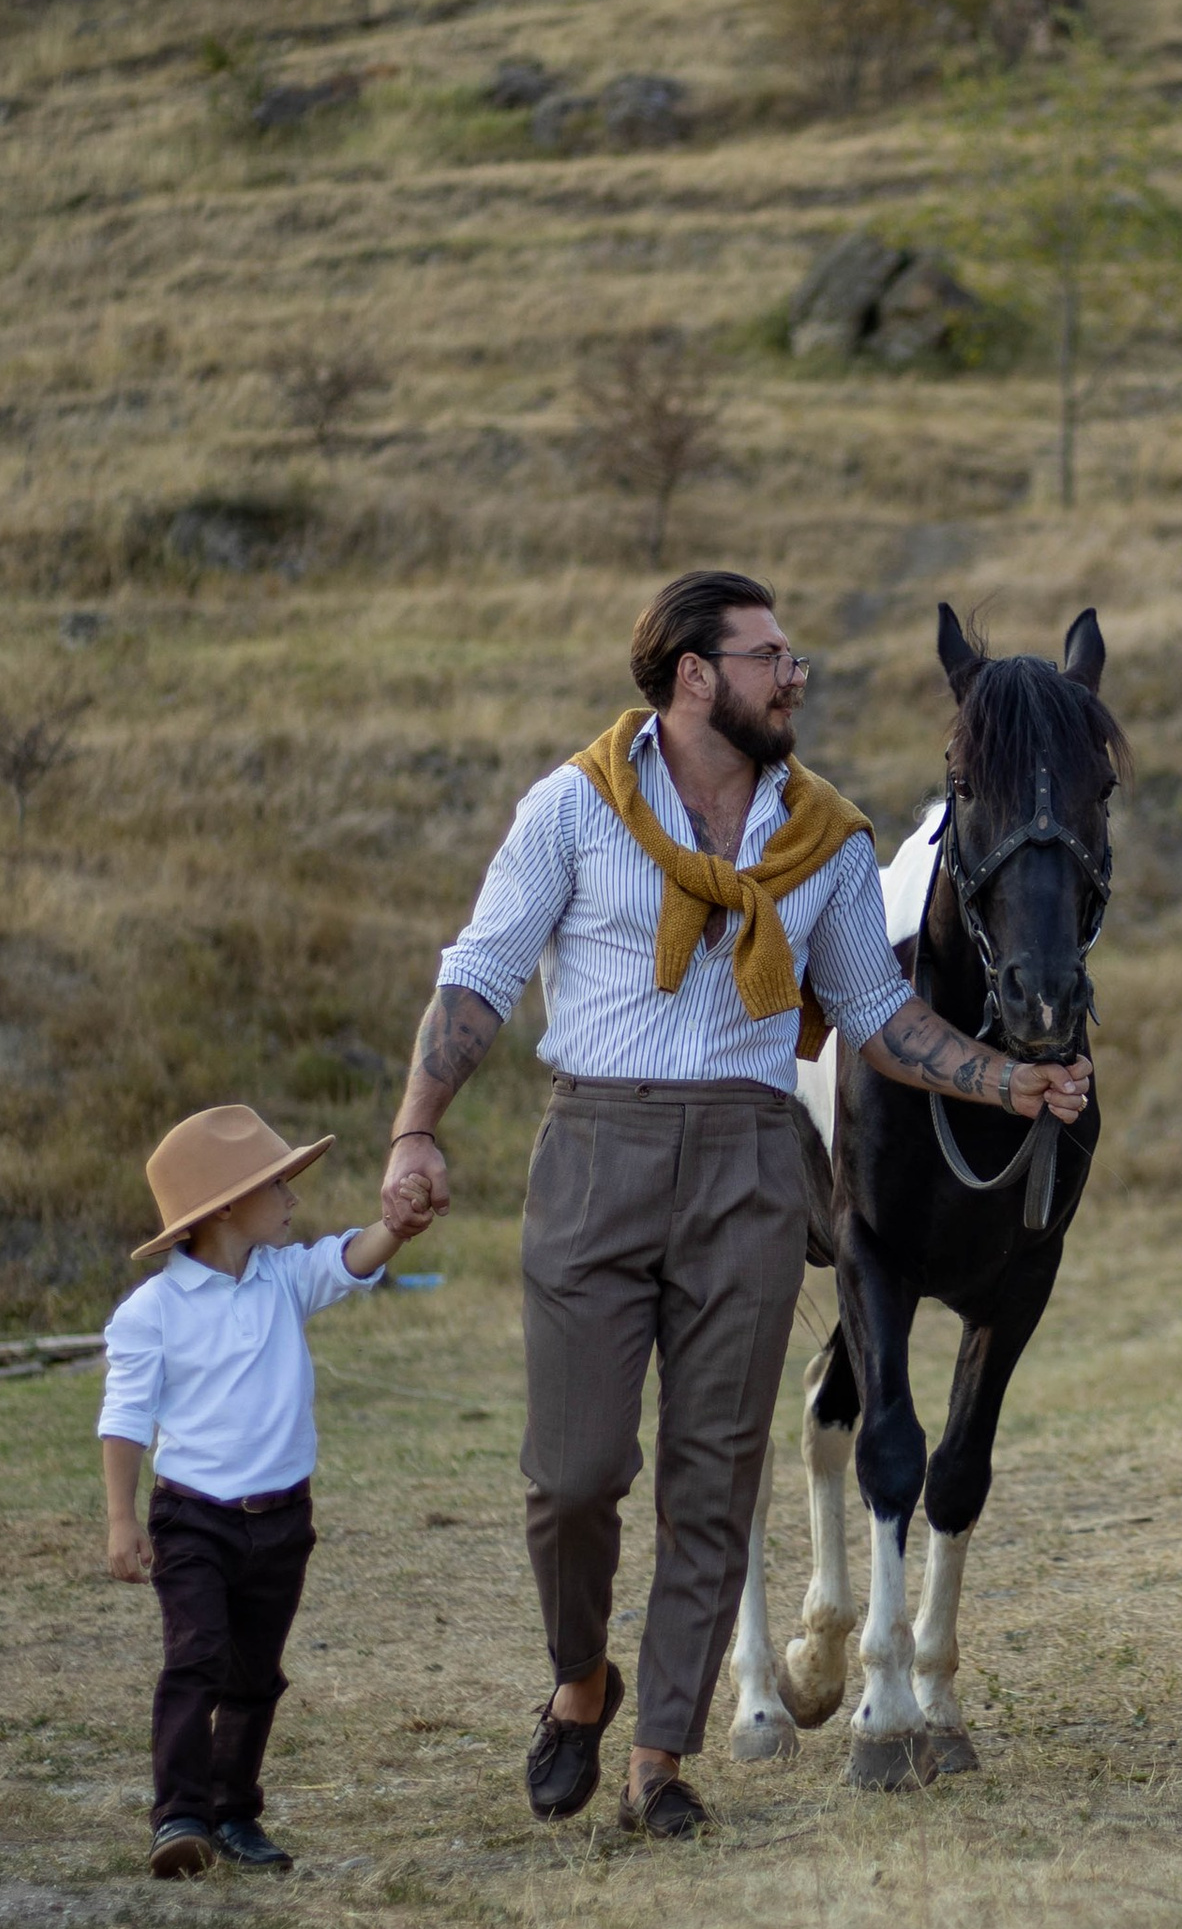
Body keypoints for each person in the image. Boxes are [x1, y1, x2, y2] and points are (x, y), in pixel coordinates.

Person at [380, 570, 1089, 1843]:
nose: (794, 675)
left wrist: (1011, 1080)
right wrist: (415, 1128)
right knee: (575, 1474)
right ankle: (579, 1680)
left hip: (756, 1161)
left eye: (792, 655)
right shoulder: (575, 810)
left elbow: (877, 1017)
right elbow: (480, 976)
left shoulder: (825, 837)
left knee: (715, 1474)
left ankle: (660, 1750)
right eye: (771, 657)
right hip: (597, 1143)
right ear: (695, 676)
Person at [100, 1103, 431, 1878]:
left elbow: (350, 1259)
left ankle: (234, 1813)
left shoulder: (283, 1278)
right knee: (197, 1660)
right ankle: (179, 1817)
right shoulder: (152, 1312)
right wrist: (121, 1520)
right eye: (277, 1185)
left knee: (255, 1674)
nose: (292, 1198)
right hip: (193, 1522)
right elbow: (125, 1418)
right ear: (224, 1208)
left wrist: (401, 1227)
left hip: (283, 1520)